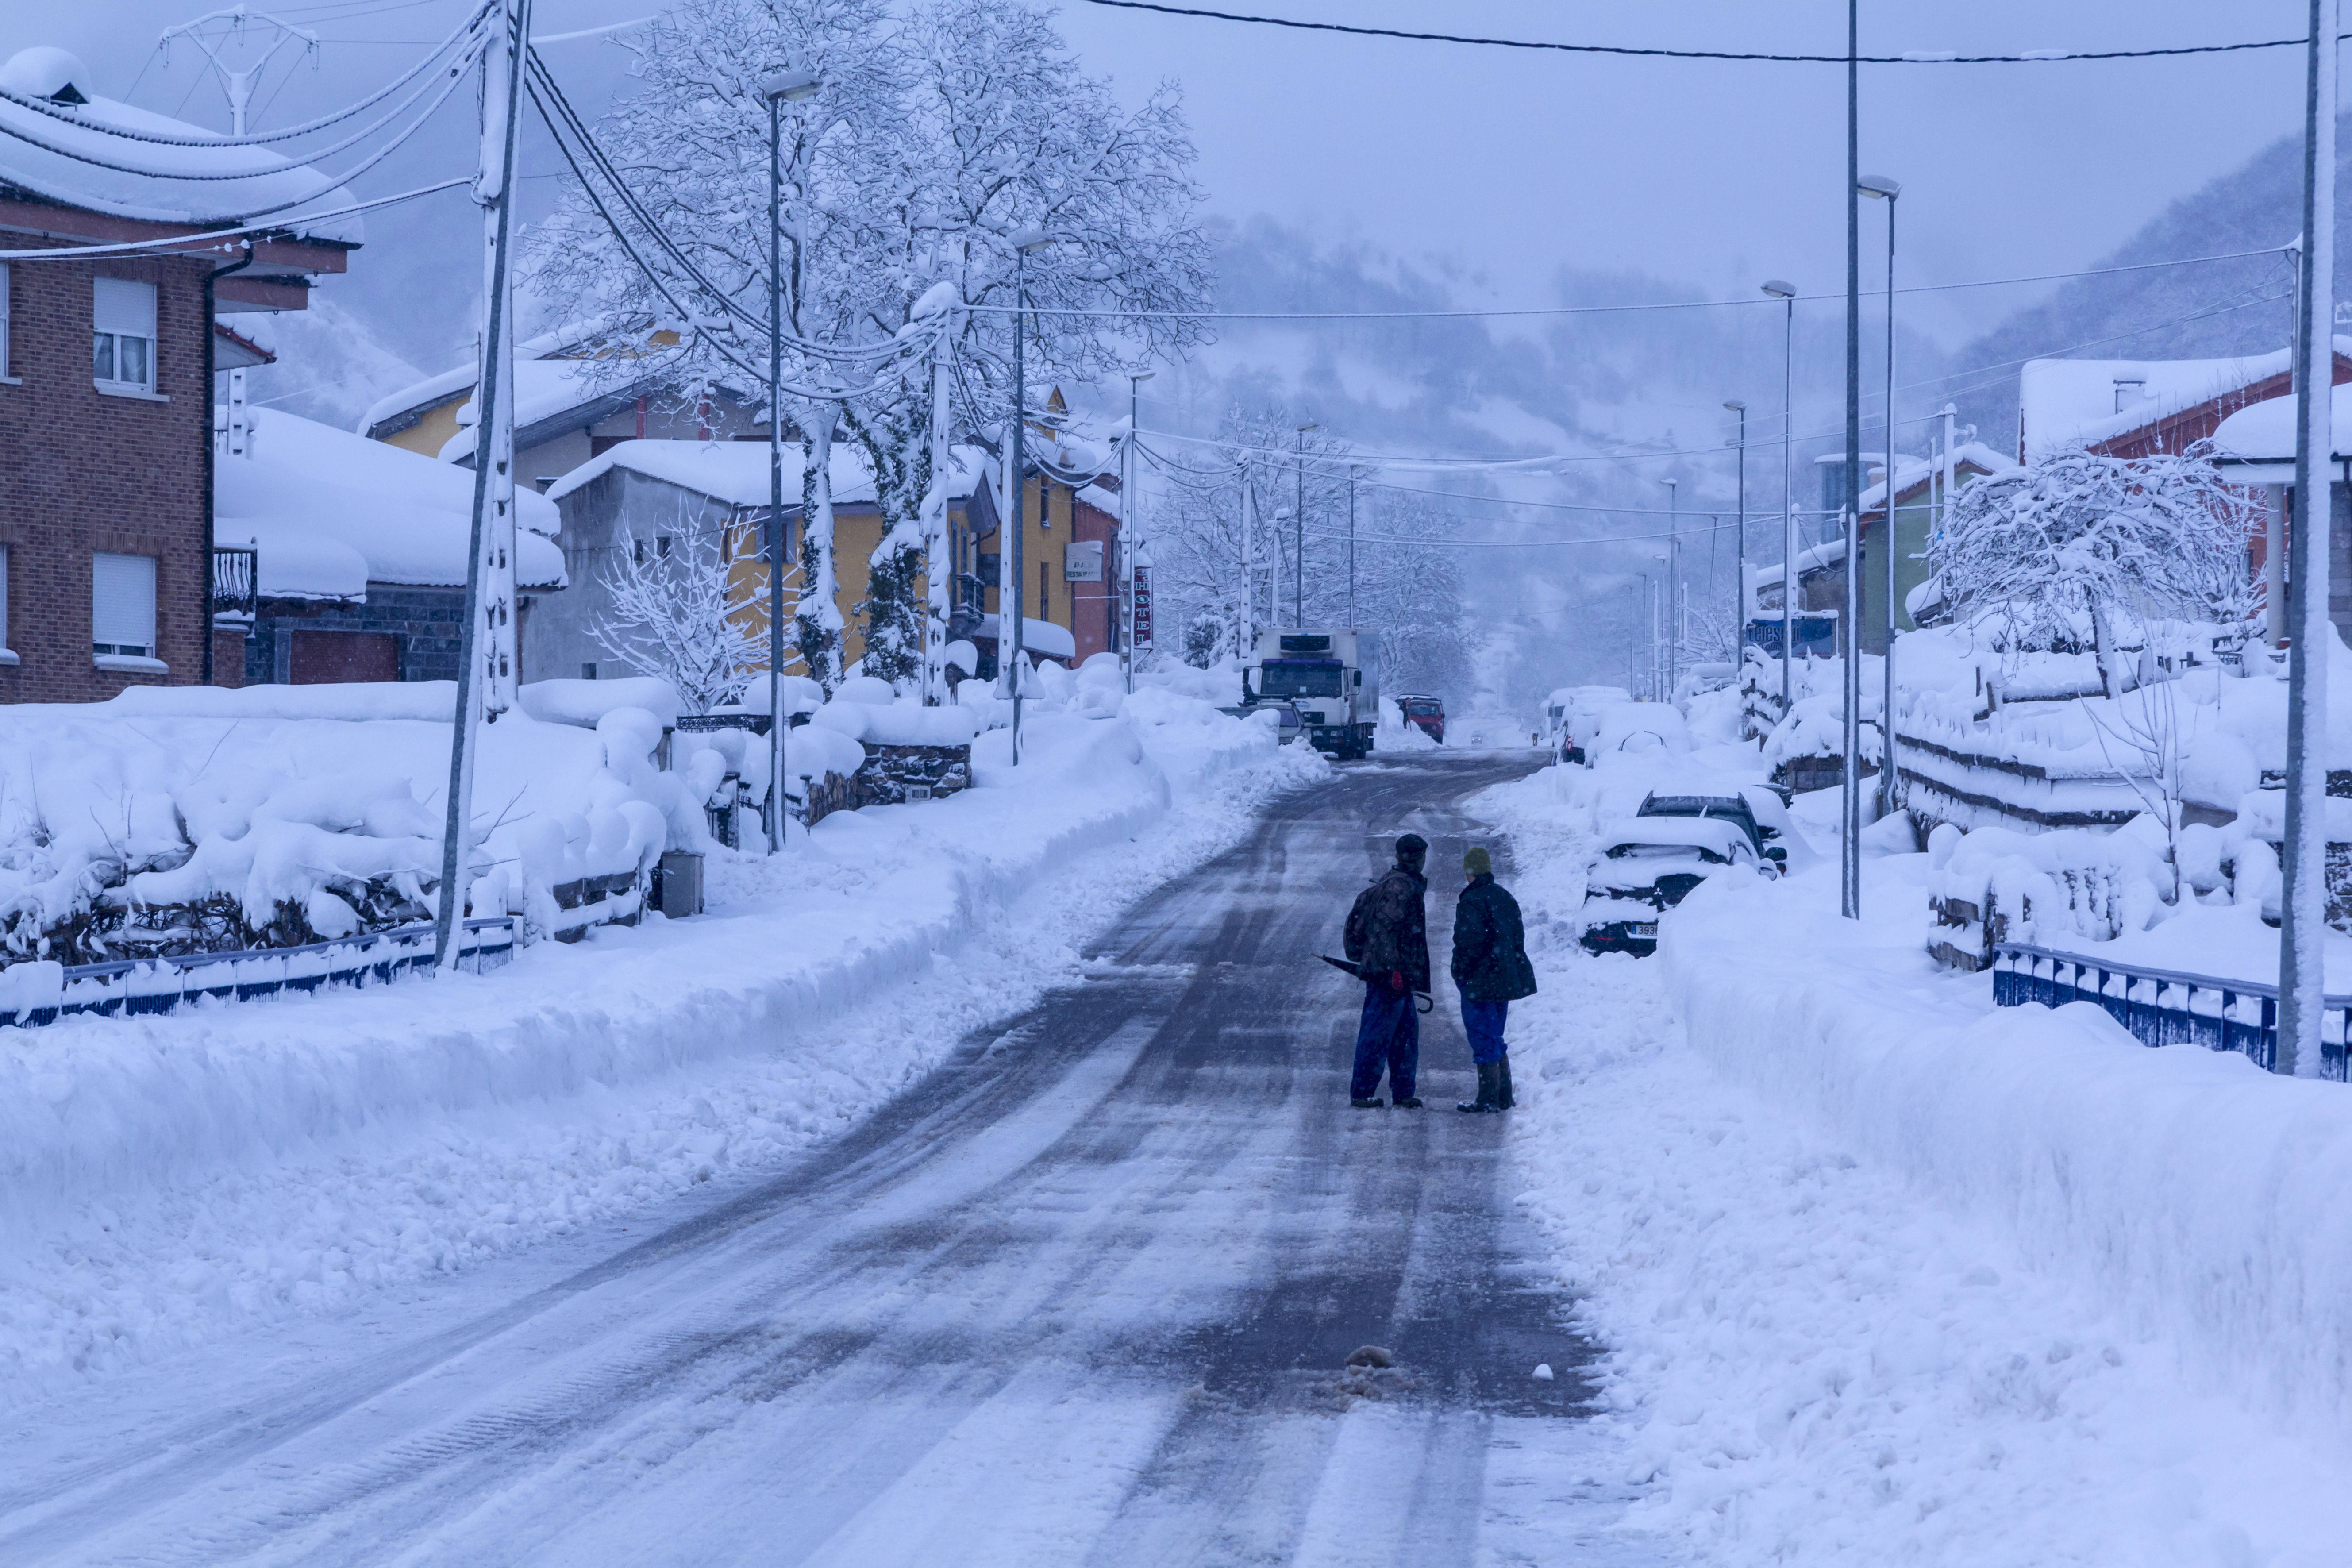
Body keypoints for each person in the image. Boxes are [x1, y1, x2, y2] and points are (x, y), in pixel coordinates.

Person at [1343, 832, 1430, 1108]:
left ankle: (1403, 1093)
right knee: (1377, 1033)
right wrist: (1395, 972)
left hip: (1398, 977)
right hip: (1389, 977)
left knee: (1405, 1036)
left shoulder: (1403, 884)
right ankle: (1362, 1092)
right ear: (1420, 858)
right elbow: (1386, 934)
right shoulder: (1399, 889)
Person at [1451, 845, 1536, 1113]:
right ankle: (1503, 1096)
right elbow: (1517, 938)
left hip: (1479, 982)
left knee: (1481, 1036)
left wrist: (1459, 970)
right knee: (1495, 1035)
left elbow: (1468, 944)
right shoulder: (1505, 897)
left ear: (1470, 872)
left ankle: (1487, 1099)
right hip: (1504, 980)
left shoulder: (1472, 901)